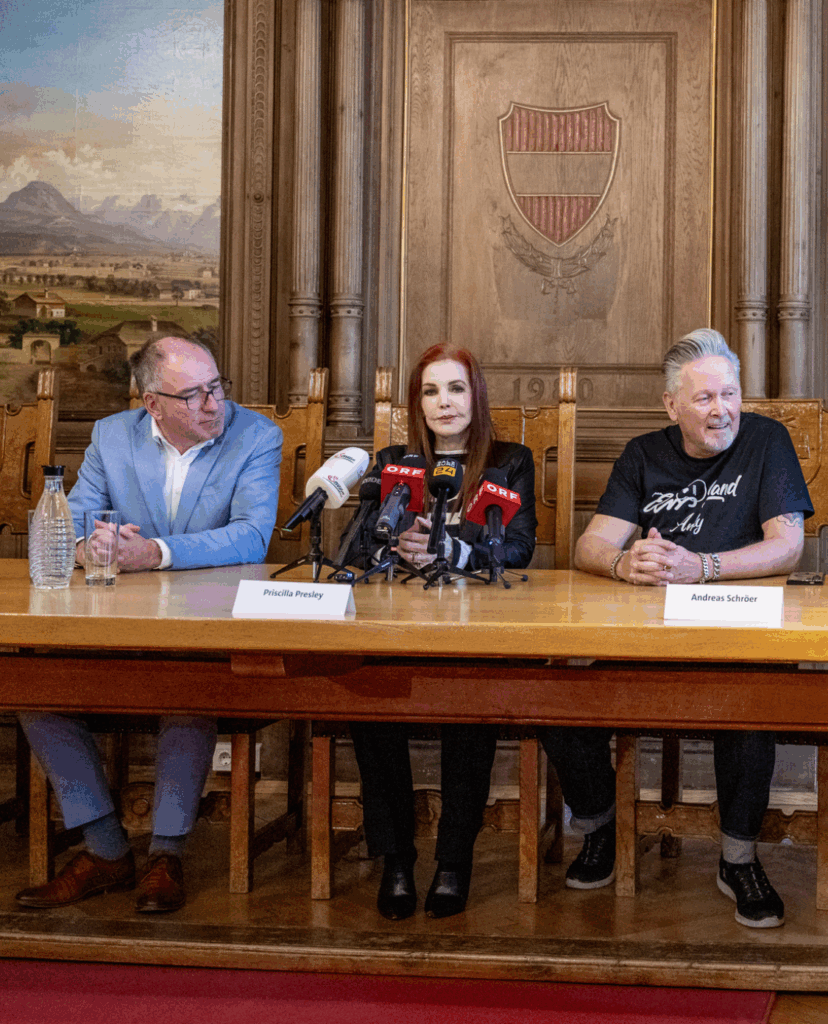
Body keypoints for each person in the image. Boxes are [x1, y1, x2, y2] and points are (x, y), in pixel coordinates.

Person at [541, 328, 813, 929]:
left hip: (738, 635)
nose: (722, 410)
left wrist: (702, 568)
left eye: (731, 394)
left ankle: (737, 859)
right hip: (646, 636)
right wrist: (623, 562)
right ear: (671, 406)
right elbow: (593, 544)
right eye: (704, 399)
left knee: (754, 703)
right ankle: (602, 827)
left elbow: (787, 547)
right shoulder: (643, 453)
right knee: (554, 693)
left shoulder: (767, 440)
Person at [17, 336, 282, 913]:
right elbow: (78, 517)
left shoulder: (256, 437)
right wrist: (94, 542)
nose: (213, 405)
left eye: (217, 387)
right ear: (151, 402)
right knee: (30, 681)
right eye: (194, 396)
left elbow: (250, 535)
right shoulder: (112, 435)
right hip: (114, 621)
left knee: (185, 683)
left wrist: (155, 552)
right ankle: (106, 848)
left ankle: (167, 852)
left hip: (205, 626)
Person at [346, 344, 537, 921]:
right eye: (430, 391)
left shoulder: (510, 460)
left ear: (475, 396)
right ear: (417, 403)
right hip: (400, 628)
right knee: (366, 702)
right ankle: (397, 861)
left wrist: (452, 548)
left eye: (455, 389)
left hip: (475, 630)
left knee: (468, 706)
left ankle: (454, 861)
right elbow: (356, 548)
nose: (444, 402)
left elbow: (519, 548)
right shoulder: (395, 460)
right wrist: (393, 545)